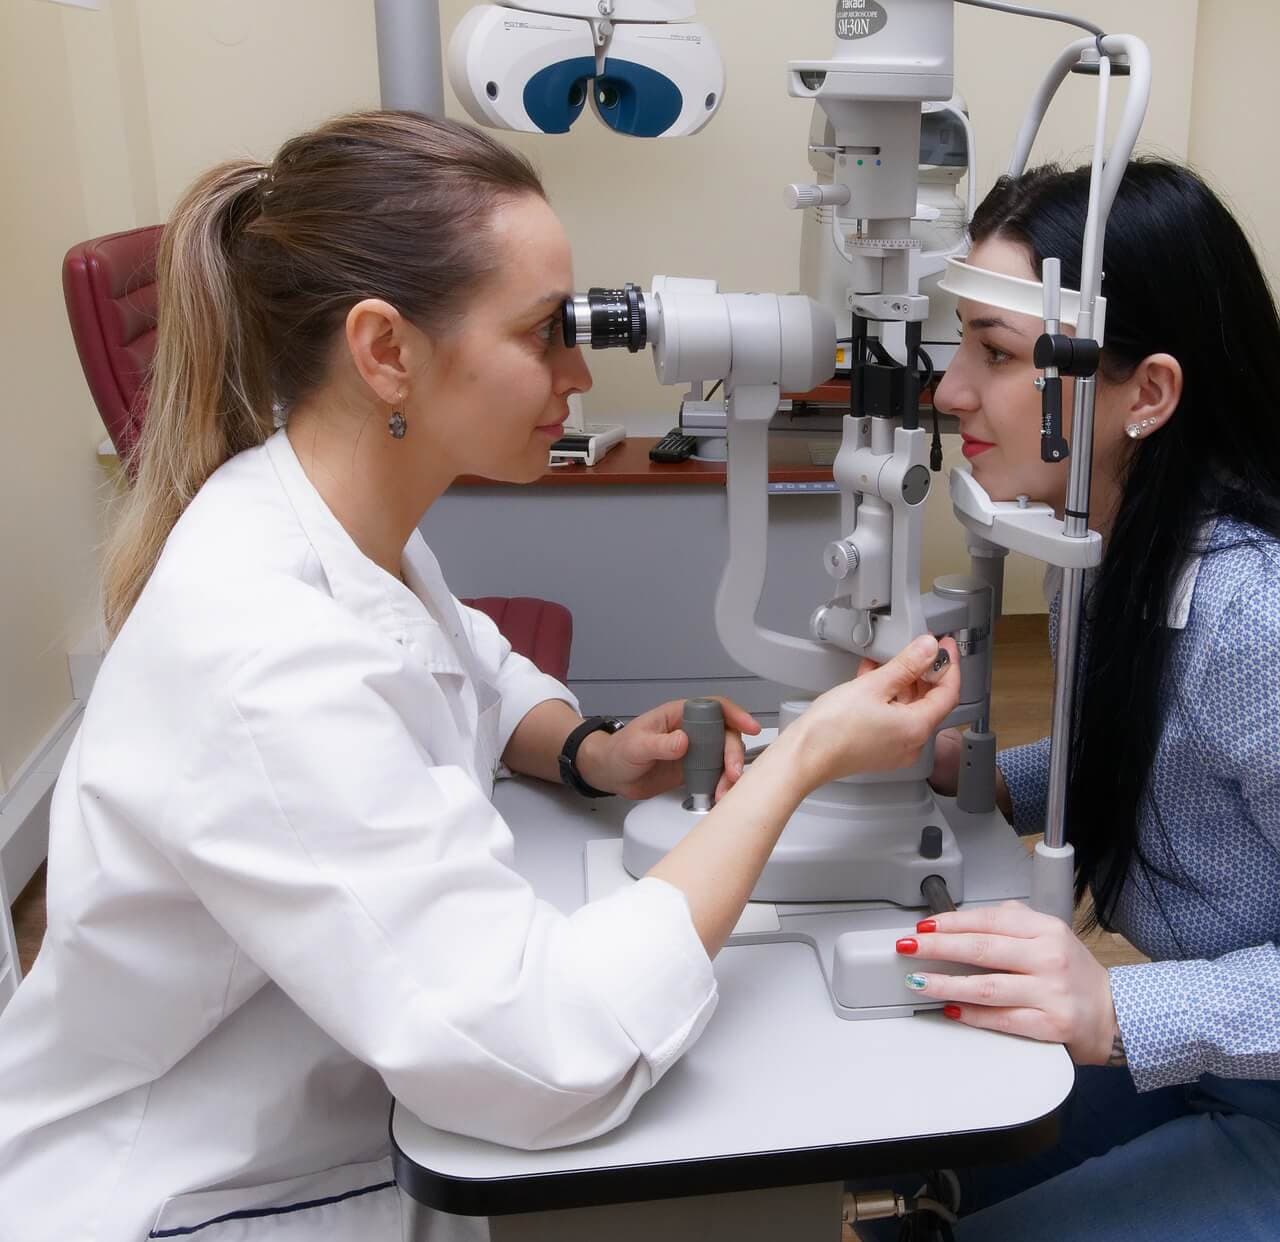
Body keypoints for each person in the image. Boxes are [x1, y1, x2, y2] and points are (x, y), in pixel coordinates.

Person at [0, 112, 959, 1242]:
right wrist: (797, 761)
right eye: (542, 333)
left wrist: (583, 749)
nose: (575, 370)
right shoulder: (259, 654)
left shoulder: (334, 514)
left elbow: (464, 657)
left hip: (349, 1119)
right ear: (384, 350)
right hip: (200, 1195)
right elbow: (545, 1054)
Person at [900, 160, 1280, 1238]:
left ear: (1145, 394)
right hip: (1219, 1045)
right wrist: (961, 772)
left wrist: (1115, 1008)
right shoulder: (1094, 543)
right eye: (959, 344)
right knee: (900, 1179)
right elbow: (1142, 758)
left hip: (1250, 1059)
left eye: (997, 354)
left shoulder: (1253, 621)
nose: (948, 393)